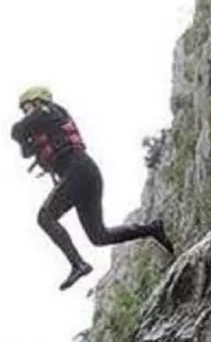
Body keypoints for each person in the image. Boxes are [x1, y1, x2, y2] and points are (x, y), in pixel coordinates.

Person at [11, 86, 174, 290]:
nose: (26, 112)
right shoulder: (41, 123)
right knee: (99, 236)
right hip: (85, 176)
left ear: (37, 102)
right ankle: (151, 229)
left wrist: (25, 136)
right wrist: (28, 141)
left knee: (45, 217)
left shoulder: (49, 111)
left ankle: (78, 264)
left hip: (79, 171)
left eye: (27, 107)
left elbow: (17, 131)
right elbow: (25, 150)